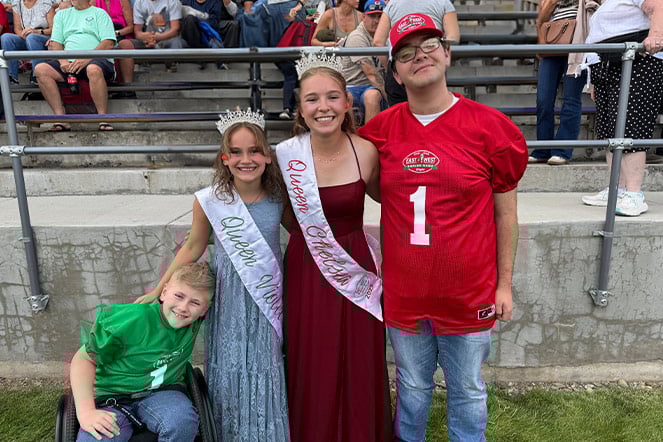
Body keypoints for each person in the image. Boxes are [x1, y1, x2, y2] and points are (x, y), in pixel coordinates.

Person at [358, 14, 528, 441]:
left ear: (448, 53)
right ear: (394, 70)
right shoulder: (379, 131)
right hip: (406, 291)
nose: (421, 57)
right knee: (412, 387)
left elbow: (505, 212)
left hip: (468, 289)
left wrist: (503, 284)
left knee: (467, 389)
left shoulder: (491, 127)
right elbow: (381, 193)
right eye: (407, 53)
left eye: (430, 45)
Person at [139, 109, 290, 441]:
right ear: (224, 157)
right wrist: (158, 290)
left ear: (267, 155)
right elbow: (193, 246)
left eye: (254, 150)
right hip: (227, 296)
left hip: (266, 293)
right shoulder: (210, 201)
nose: (245, 159)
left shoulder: (280, 197)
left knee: (266, 363)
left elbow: (304, 235)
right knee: (229, 364)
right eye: (235, 151)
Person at [275, 52, 390, 441]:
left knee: (358, 358)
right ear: (300, 107)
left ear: (347, 102)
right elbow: (279, 216)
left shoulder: (367, 151)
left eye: (331, 97)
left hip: (355, 264)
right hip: (308, 266)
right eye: (312, 99)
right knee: (314, 357)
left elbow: (395, 204)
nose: (323, 107)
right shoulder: (284, 157)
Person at [70, 262, 213, 441]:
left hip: (162, 393)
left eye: (195, 302)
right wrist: (86, 412)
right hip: (113, 399)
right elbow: (83, 360)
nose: (183, 307)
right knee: (95, 437)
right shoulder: (130, 321)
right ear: (164, 292)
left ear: (204, 310)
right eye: (179, 296)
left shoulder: (192, 322)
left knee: (182, 422)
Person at [580, 0, 663, 216]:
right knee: (610, 130)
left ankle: (633, 194)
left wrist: (656, 35)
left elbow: (658, 5)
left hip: (636, 61)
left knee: (630, 126)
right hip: (608, 64)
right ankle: (618, 190)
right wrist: (593, 79)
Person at [33, 0, 116, 132]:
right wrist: (63, 61)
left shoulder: (100, 13)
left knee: (93, 69)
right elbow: (56, 43)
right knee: (41, 69)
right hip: (69, 62)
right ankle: (61, 119)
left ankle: (103, 118)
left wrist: (85, 59)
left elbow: (108, 42)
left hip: (97, 59)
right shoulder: (61, 15)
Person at [529, 0, 588, 166]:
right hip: (552, 43)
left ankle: (562, 151)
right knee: (543, 99)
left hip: (578, 43)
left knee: (571, 99)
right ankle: (543, 149)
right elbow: (540, 21)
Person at [372, 0, 459, 106]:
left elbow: (378, 42)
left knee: (399, 117)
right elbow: (453, 37)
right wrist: (432, 47)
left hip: (401, 63)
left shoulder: (392, 4)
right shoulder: (443, 2)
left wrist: (390, 66)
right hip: (432, 60)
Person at [341, 0, 386, 123]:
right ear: (364, 17)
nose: (376, 21)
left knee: (372, 95)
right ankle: (352, 139)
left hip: (373, 87)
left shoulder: (385, 36)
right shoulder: (357, 37)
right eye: (372, 16)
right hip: (353, 85)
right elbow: (370, 73)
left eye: (380, 16)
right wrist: (390, 98)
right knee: (368, 96)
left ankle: (372, 139)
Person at [116, 0, 185, 81]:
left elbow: (175, 30)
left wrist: (155, 38)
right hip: (147, 40)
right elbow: (137, 32)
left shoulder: (173, 2)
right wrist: (146, 38)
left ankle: (171, 66)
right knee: (124, 44)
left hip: (168, 39)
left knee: (176, 42)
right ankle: (128, 87)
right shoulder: (139, 2)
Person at [1, 0, 55, 84]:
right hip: (26, 37)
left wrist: (38, 32)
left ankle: (36, 75)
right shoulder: (17, 4)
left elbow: (54, 29)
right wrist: (23, 35)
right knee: (6, 37)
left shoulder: (46, 3)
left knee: (32, 37)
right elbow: (17, 29)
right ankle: (12, 77)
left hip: (44, 38)